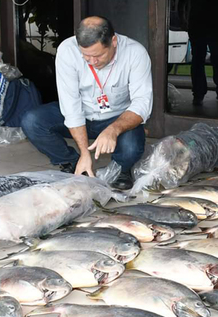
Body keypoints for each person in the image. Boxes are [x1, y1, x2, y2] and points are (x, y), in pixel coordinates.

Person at [21, 16, 152, 190]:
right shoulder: (67, 50)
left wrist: (113, 129)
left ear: (113, 41)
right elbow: (71, 105)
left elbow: (142, 103)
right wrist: (84, 152)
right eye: (86, 56)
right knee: (32, 122)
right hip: (81, 113)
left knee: (132, 147)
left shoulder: (135, 53)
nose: (92, 62)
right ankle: (74, 163)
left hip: (116, 117)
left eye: (98, 55)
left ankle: (121, 169)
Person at [188, 0, 218, 106]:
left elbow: (182, 4)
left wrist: (184, 20)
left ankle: (198, 94)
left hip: (196, 24)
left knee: (197, 59)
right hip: (215, 25)